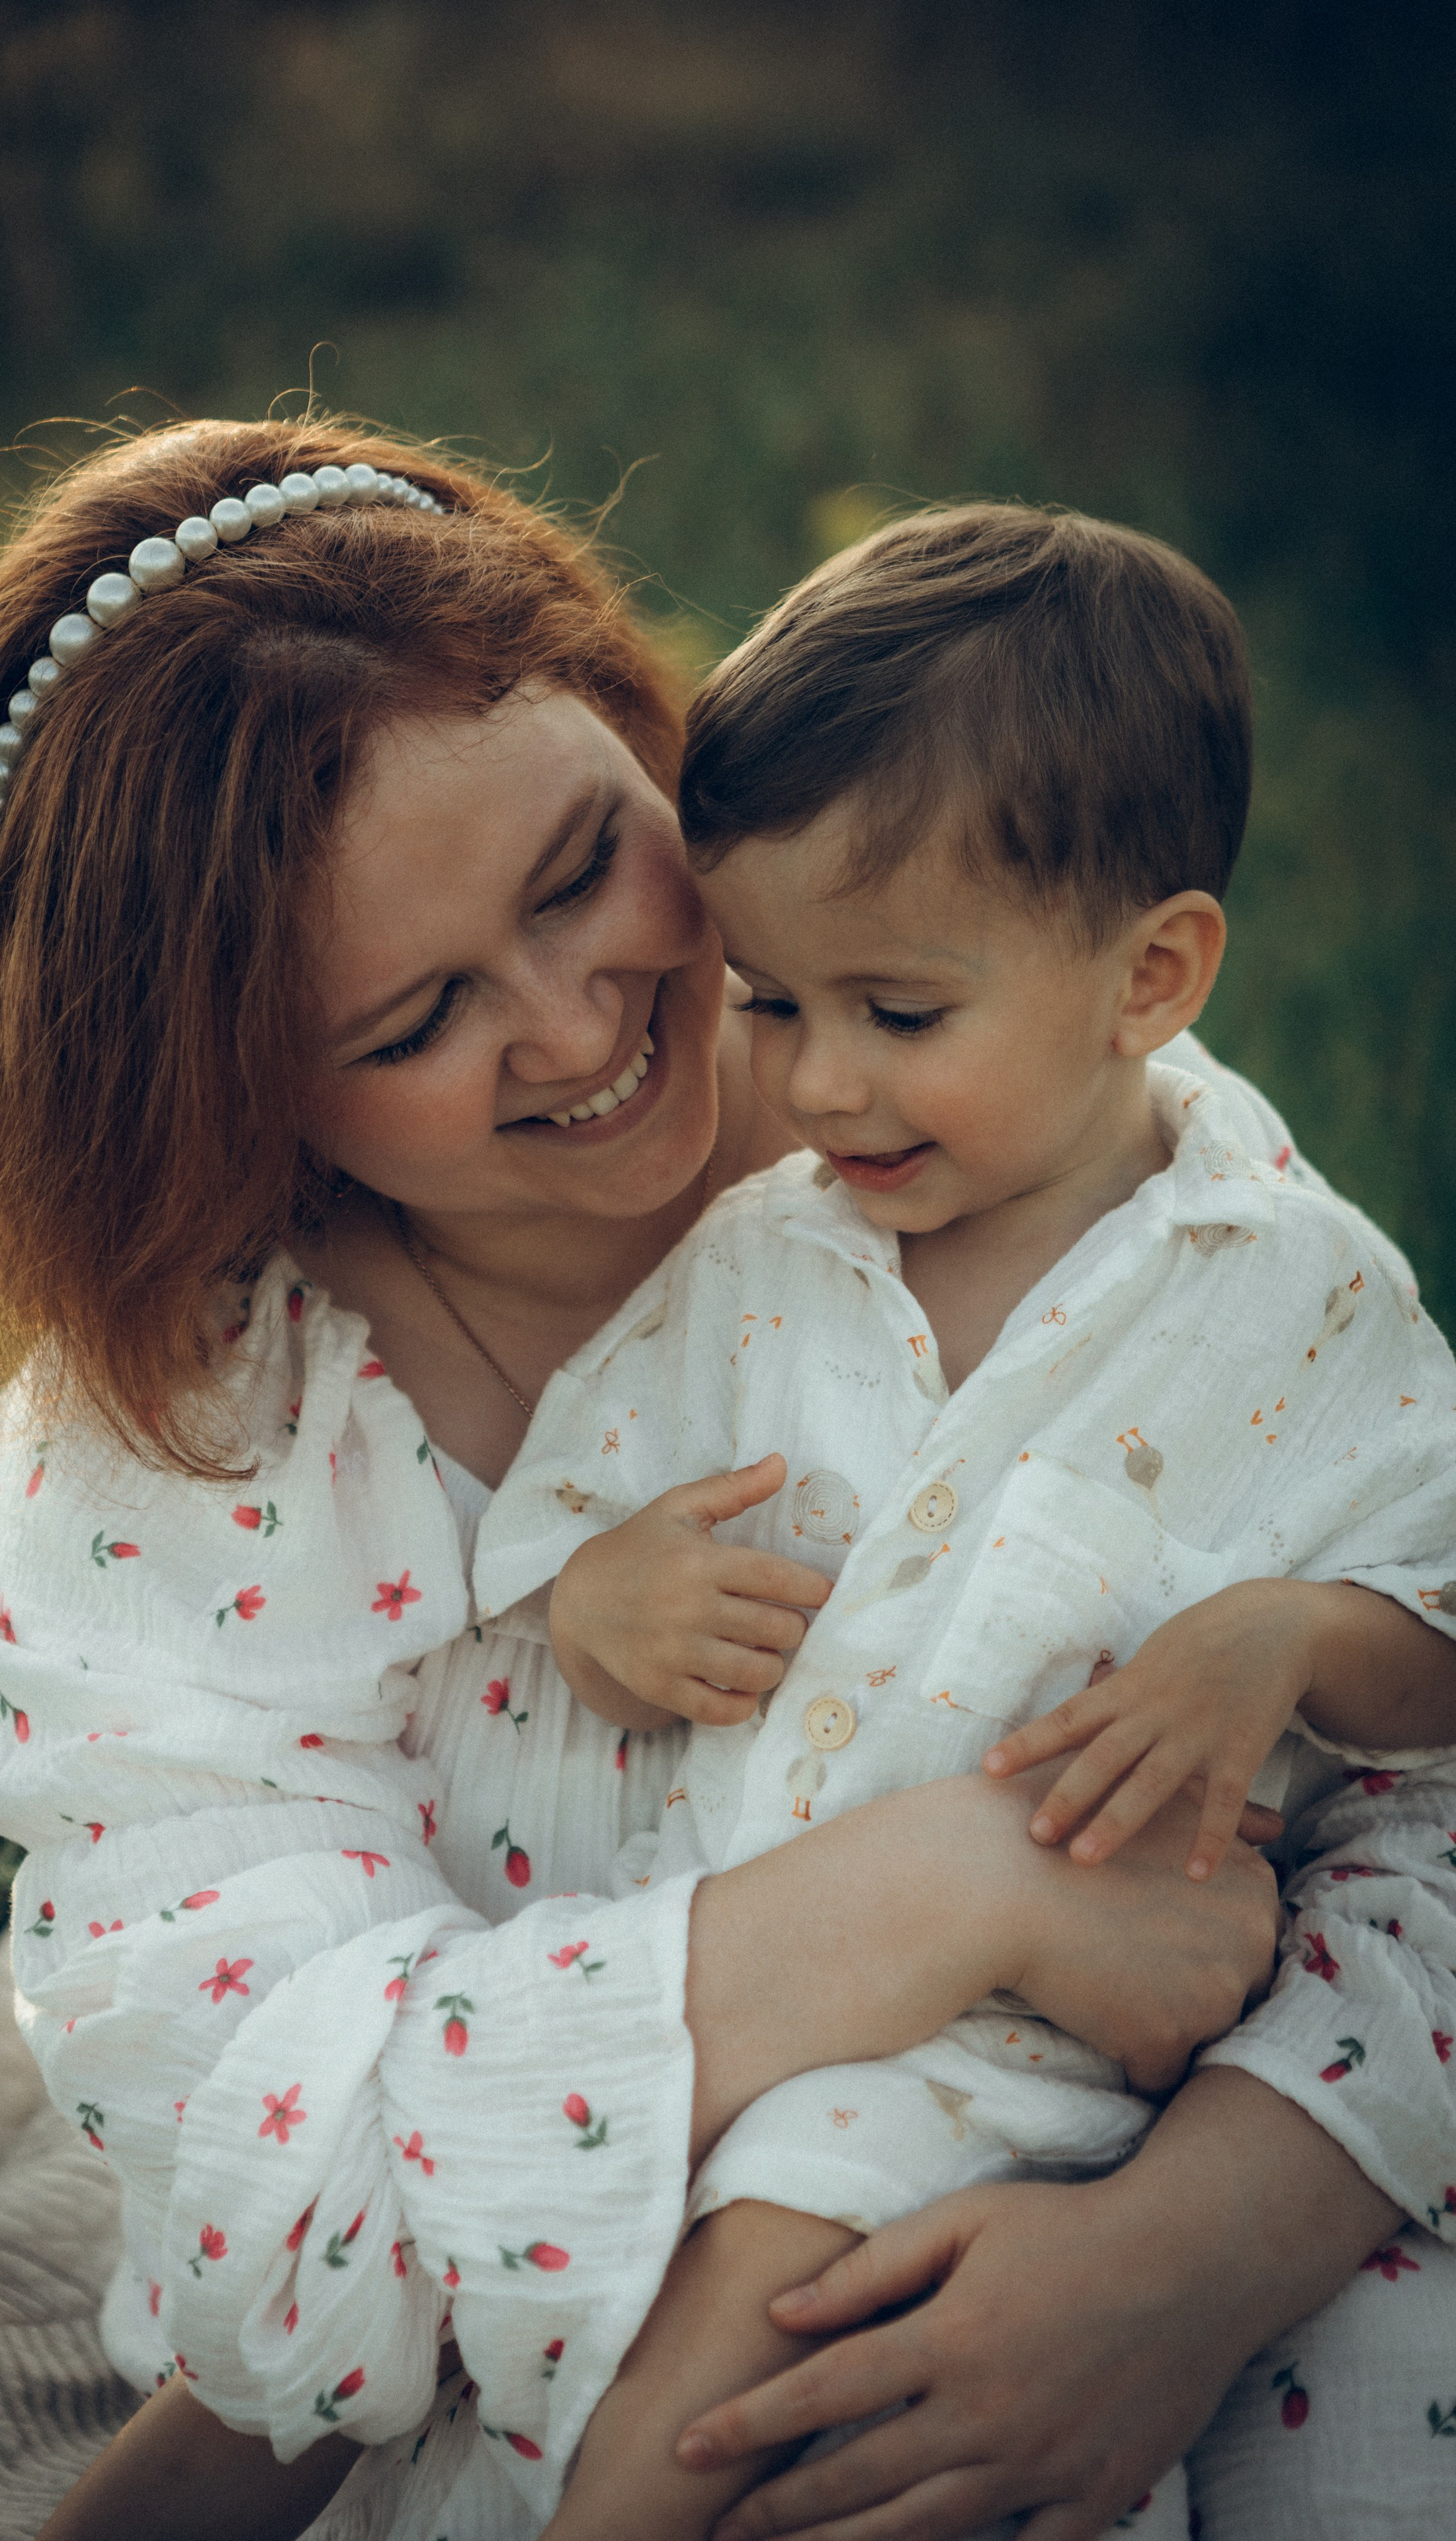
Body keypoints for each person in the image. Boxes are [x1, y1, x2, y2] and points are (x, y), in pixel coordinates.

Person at [0, 416, 1455, 2541]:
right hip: (590, 2316)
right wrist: (957, 1893)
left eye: (577, 873)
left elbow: (1411, 1781)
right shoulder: (186, 1470)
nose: (581, 1025)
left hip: (1172, 2165)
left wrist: (1191, 2252)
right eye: (420, 1015)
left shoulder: (1057, 1138)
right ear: (229, 1087)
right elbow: (311, 2230)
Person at [470, 506, 1456, 2540]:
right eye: (770, 1003)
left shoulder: (1293, 1290)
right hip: (777, 1984)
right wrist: (600, 1593)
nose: (820, 1082)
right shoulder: (764, 1263)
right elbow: (575, 1492)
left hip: (1106, 2043)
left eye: (898, 1014)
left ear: (1150, 976)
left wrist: (1284, 1631)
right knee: (625, 2302)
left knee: (785, 2307)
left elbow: (1440, 1633)